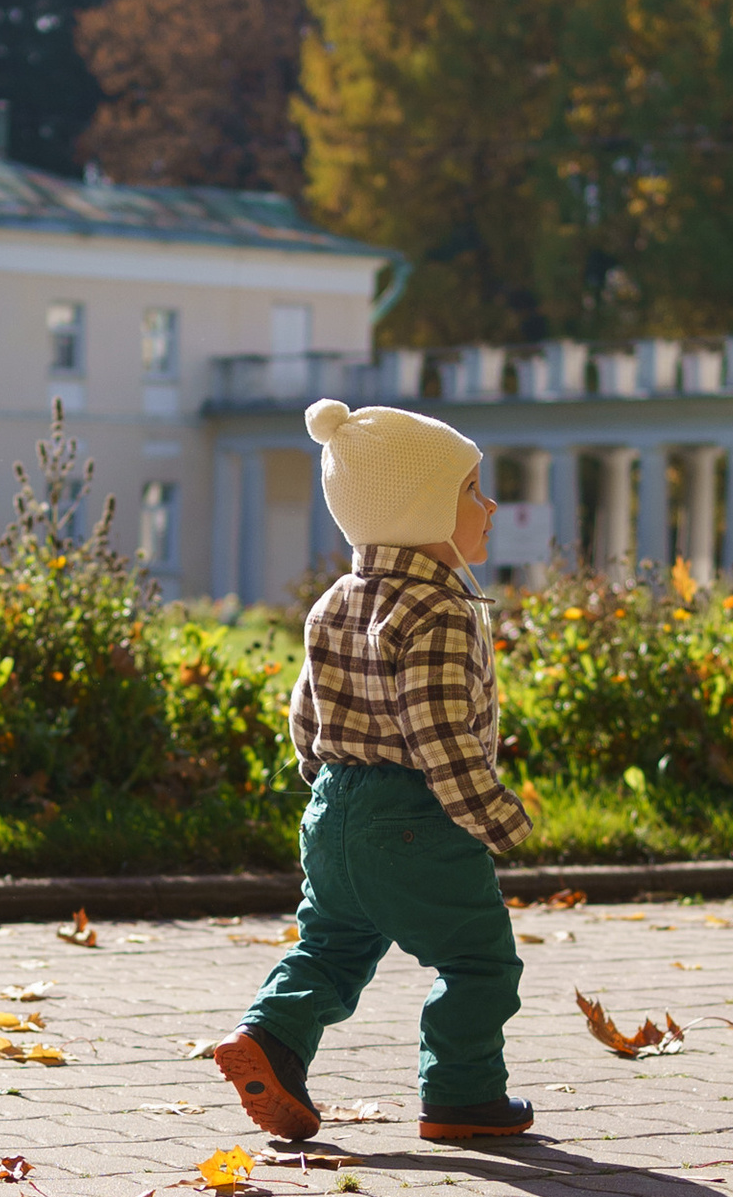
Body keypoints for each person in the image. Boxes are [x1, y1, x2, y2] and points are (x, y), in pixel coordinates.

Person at [211, 397, 538, 1149]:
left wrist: (325, 783)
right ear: (421, 504)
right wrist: (496, 816)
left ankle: (270, 1040)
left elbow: (305, 712)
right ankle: (464, 1098)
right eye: (471, 490)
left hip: (333, 808)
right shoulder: (439, 610)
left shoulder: (335, 601)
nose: (489, 505)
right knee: (478, 959)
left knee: (331, 944)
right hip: (416, 816)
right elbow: (439, 736)